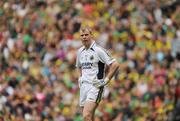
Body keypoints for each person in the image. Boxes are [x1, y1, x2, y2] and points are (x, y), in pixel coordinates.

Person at [76, 26, 119, 121]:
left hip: (95, 86)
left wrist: (106, 80)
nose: (84, 37)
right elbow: (78, 66)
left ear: (91, 35)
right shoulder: (80, 51)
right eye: (82, 35)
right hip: (84, 86)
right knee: (89, 116)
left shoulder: (98, 50)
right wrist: (80, 78)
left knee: (86, 115)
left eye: (86, 34)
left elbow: (115, 64)